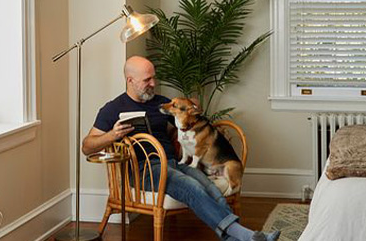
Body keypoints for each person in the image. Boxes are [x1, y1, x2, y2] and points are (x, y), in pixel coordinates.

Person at [82, 56, 280, 241]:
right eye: (147, 79)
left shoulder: (162, 103)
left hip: (173, 162)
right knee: (190, 186)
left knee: (209, 186)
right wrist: (112, 135)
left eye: (154, 78)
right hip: (144, 170)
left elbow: (190, 124)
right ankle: (249, 237)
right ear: (130, 80)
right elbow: (87, 146)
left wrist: (192, 108)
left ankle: (235, 237)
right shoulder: (113, 108)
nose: (153, 83)